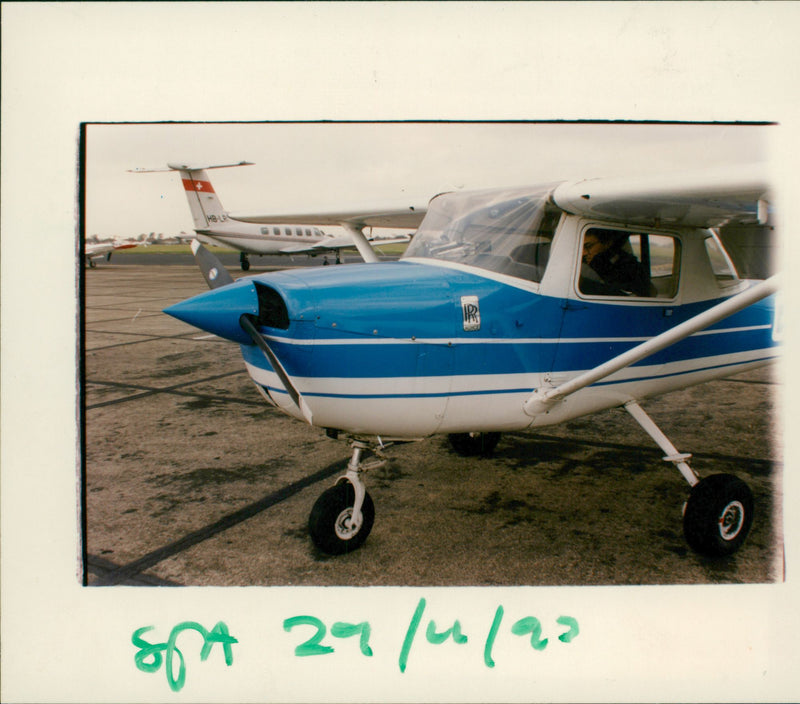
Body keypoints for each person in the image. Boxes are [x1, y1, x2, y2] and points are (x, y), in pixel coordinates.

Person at [579, 229, 652, 297]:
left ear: (607, 243)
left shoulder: (629, 267)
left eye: (588, 246)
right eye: (581, 247)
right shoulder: (582, 264)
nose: (583, 253)